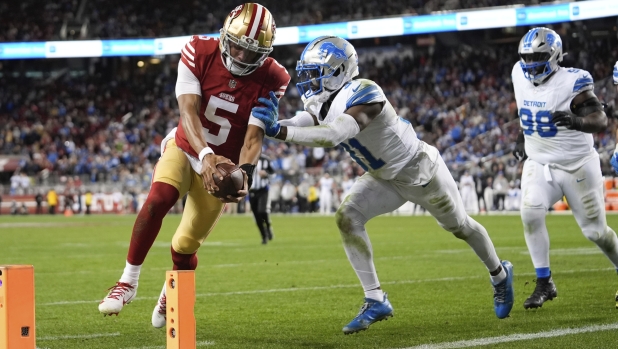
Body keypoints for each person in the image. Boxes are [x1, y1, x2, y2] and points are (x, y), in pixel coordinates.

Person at [252, 35, 514, 334]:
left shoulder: (365, 91)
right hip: (384, 178)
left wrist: (279, 132)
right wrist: (271, 125)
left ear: (339, 71)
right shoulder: (324, 99)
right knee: (347, 217)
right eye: (307, 73)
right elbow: (308, 119)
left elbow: (333, 134)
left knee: (461, 227)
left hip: (420, 172)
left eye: (315, 73)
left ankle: (499, 275)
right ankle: (376, 299)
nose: (309, 81)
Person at [98, 3, 289, 330]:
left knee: (185, 246)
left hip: (222, 167)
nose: (242, 58)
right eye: (238, 47)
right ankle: (128, 281)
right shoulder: (198, 50)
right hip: (188, 147)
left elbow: (254, 136)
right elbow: (188, 111)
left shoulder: (274, 76)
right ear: (224, 35)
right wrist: (204, 157)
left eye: (251, 52)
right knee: (158, 199)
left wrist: (246, 173)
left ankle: (169, 292)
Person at [512, 28, 618, 310]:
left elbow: (600, 119)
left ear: (554, 55)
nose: (531, 62)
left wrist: (576, 122)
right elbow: (525, 110)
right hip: (539, 163)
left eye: (537, 56)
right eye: (527, 56)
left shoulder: (573, 81)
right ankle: (544, 282)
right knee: (530, 212)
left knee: (596, 233)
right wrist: (522, 139)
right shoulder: (517, 74)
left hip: (576, 166)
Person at [249, 153, 275, 244]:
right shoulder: (246, 158)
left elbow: (273, 173)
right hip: (251, 191)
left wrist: (266, 174)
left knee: (262, 211)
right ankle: (264, 236)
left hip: (263, 190)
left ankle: (268, 227)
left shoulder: (265, 159)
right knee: (256, 216)